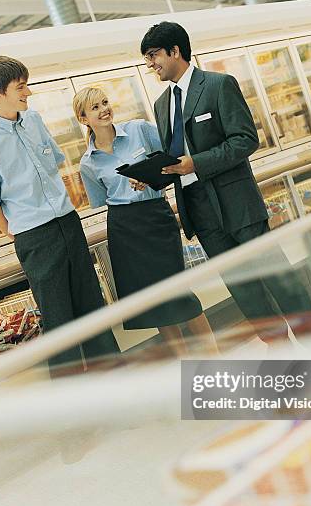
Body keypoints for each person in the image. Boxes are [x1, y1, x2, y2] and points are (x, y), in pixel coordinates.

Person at [140, 22, 311, 341]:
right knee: (246, 295)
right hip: (201, 213)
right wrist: (155, 172)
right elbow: (175, 154)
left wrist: (195, 164)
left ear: (175, 51)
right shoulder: (161, 105)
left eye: (154, 55)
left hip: (237, 205)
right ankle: (281, 354)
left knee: (282, 283)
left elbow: (244, 140)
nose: (150, 64)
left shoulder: (217, 85)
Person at [0, 56, 119, 371]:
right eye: (20, 87)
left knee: (92, 304)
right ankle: (74, 401)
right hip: (34, 235)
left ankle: (114, 379)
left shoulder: (33, 119)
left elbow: (55, 161)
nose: (28, 93)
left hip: (67, 221)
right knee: (58, 318)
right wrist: (17, 232)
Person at [73, 87, 217, 355]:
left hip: (156, 217)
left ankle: (214, 357)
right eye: (95, 107)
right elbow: (103, 199)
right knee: (153, 302)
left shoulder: (140, 129)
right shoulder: (88, 163)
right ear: (83, 118)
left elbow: (175, 159)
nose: (104, 109)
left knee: (178, 290)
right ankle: (184, 362)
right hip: (125, 228)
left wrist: (151, 177)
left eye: (105, 102)